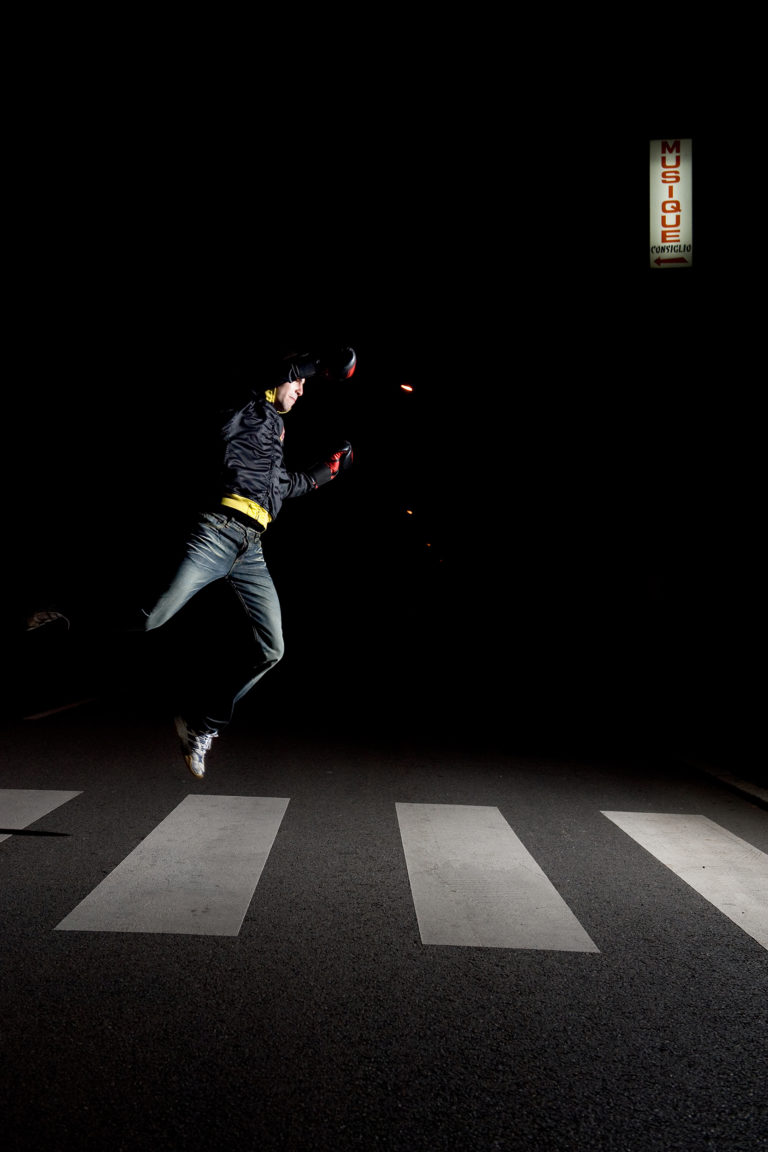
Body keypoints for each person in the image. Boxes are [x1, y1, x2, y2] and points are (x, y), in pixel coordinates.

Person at [138, 346, 357, 778]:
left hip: (250, 549)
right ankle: (64, 613)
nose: (302, 389)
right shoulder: (243, 402)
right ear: (283, 375)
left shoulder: (275, 428)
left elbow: (281, 485)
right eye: (299, 382)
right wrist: (321, 363)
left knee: (272, 648)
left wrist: (326, 473)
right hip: (216, 533)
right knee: (151, 618)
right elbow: (271, 373)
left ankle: (201, 725)